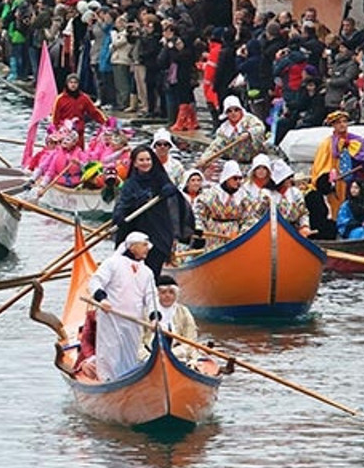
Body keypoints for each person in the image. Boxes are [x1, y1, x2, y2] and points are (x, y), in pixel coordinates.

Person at [112, 146, 195, 277]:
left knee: (153, 270)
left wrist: (170, 190)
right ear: (135, 163)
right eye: (141, 160)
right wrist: (120, 215)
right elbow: (123, 204)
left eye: (148, 159)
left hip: (158, 232)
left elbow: (176, 198)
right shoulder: (130, 184)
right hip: (137, 230)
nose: (145, 163)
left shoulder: (161, 178)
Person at [88, 231, 158, 382]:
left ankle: (127, 382)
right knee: (110, 351)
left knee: (130, 353)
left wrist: (154, 317)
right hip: (111, 316)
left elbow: (152, 297)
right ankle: (107, 380)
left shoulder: (147, 272)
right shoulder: (112, 263)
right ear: (133, 247)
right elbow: (95, 281)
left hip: (134, 320)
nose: (148, 248)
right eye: (144, 245)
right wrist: (102, 299)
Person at [310, 110, 364, 218]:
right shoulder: (327, 144)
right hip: (338, 184)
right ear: (333, 125)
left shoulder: (357, 141)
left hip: (355, 183)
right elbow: (320, 166)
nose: (342, 124)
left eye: (344, 121)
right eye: (338, 122)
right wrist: (327, 179)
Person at [192, 160, 258, 245]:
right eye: (235, 178)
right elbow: (198, 212)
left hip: (235, 238)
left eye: (240, 178)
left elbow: (250, 218)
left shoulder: (244, 197)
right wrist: (199, 228)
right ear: (227, 178)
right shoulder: (211, 194)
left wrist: (242, 234)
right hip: (213, 236)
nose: (238, 181)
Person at [141, 274, 199, 363]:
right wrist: (147, 358)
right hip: (149, 356)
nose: (167, 296)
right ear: (157, 294)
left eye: (171, 292)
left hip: (177, 356)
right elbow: (137, 341)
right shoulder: (145, 312)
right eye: (163, 292)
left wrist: (172, 354)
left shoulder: (183, 312)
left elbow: (190, 340)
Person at [197, 96, 270, 166]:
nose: (233, 113)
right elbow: (215, 146)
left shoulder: (250, 119)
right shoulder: (224, 129)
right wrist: (205, 158)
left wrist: (249, 133)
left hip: (255, 160)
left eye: (236, 110)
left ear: (240, 110)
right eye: (229, 111)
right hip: (237, 162)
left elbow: (260, 128)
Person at [52, 73, 107, 148]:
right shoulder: (60, 99)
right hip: (64, 132)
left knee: (79, 153)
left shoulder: (84, 98)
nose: (73, 85)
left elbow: (94, 112)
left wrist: (105, 123)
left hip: (79, 132)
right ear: (67, 84)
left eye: (75, 83)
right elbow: (55, 117)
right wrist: (56, 131)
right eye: (71, 82)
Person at [270, 158, 312, 237]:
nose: (291, 180)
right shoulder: (268, 194)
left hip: (293, 232)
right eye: (287, 178)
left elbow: (303, 213)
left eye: (291, 177)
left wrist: (304, 226)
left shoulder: (295, 193)